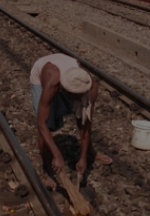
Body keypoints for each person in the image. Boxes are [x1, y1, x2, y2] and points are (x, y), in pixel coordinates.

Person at [30, 53, 113, 191]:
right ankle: (48, 171)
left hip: (67, 71)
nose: (74, 99)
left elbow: (86, 123)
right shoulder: (52, 82)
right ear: (65, 89)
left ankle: (89, 152)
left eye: (79, 95)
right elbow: (41, 124)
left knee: (83, 117)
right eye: (72, 96)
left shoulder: (90, 87)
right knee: (48, 124)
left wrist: (82, 158)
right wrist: (57, 155)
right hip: (41, 76)